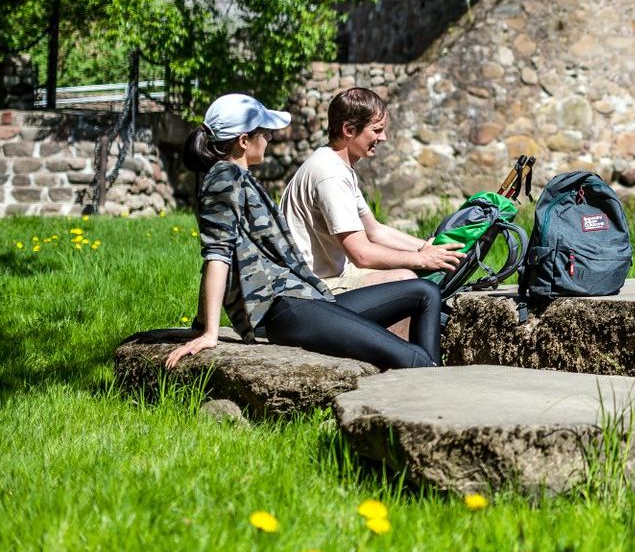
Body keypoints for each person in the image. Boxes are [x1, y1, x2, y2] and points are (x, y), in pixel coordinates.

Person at [163, 93, 441, 371]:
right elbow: (217, 256)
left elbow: (222, 253)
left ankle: (431, 376)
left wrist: (200, 324)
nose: (270, 138)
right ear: (244, 141)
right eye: (266, 132)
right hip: (286, 309)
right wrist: (210, 332)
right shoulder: (224, 180)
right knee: (413, 358)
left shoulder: (237, 179)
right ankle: (431, 388)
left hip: (305, 301)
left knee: (425, 292)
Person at [281, 88, 457, 343]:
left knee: (409, 272)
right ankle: (399, 366)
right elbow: (362, 254)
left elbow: (375, 231)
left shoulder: (338, 165)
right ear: (349, 130)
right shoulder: (330, 175)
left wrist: (426, 247)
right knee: (405, 280)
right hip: (312, 289)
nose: (383, 137)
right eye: (376, 130)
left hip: (332, 277)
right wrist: (421, 260)